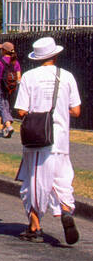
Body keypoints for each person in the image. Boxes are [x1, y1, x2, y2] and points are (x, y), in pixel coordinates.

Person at [15, 36, 81, 244]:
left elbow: (22, 110)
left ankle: (35, 225)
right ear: (55, 54)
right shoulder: (67, 76)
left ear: (36, 57)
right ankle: (65, 208)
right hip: (61, 138)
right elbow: (76, 110)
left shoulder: (28, 76)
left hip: (38, 137)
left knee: (34, 181)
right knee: (61, 178)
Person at [0, 41, 21, 137]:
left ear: (4, 51)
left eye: (2, 49)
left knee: (1, 105)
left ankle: (9, 125)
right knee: (8, 105)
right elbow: (18, 77)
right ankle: (4, 129)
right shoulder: (15, 62)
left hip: (0, 85)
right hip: (11, 86)